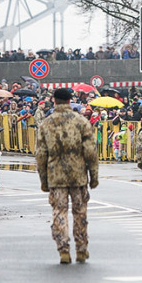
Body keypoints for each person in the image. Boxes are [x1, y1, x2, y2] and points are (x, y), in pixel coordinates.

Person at [35, 88, 99, 264]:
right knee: (80, 212)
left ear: (54, 100)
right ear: (70, 101)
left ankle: (63, 248)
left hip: (56, 176)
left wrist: (43, 180)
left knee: (59, 211)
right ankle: (81, 248)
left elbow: (41, 154)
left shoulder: (46, 124)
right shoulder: (81, 122)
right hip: (78, 175)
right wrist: (93, 176)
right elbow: (91, 151)